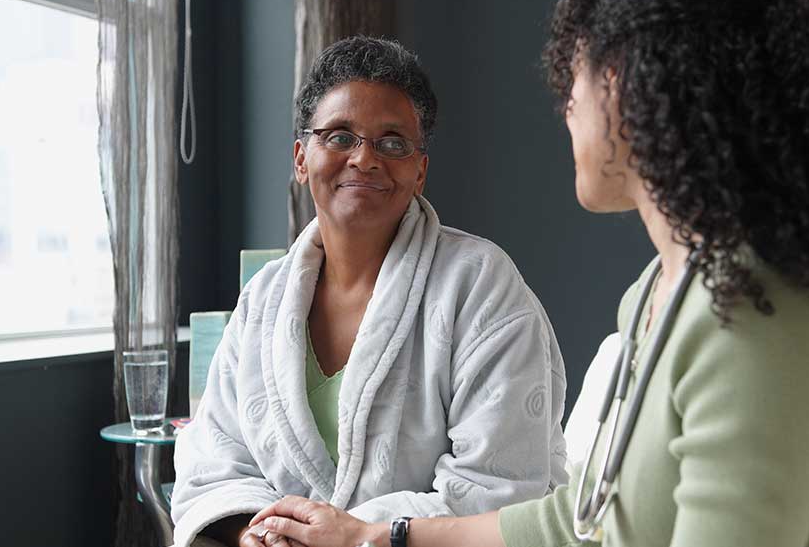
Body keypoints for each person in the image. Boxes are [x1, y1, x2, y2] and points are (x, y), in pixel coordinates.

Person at [246, 0, 809, 546]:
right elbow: (580, 518)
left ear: (637, 88)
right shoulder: (657, 294)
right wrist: (381, 536)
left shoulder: (755, 314)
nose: (566, 105)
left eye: (574, 77)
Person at [170, 37, 570, 547]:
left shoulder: (480, 285)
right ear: (301, 158)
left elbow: (502, 491)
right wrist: (260, 532)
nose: (364, 158)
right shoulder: (264, 298)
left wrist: (356, 535)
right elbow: (213, 463)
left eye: (393, 142)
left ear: (419, 170)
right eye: (339, 137)